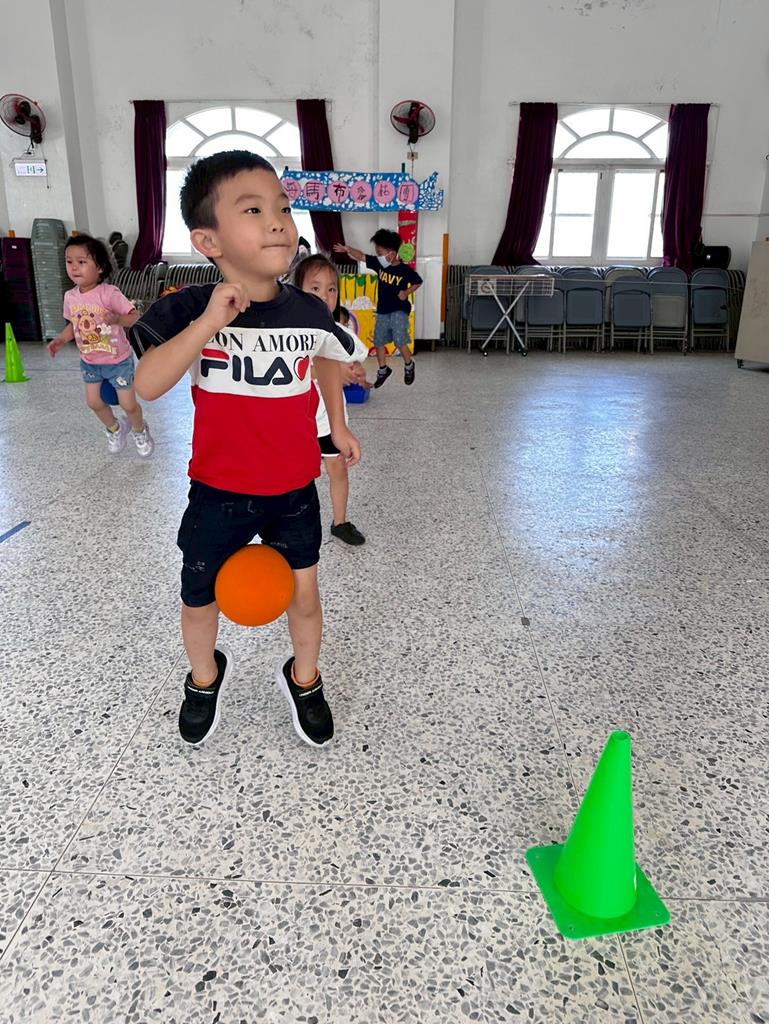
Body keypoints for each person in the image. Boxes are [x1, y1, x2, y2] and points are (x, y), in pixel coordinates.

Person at [130, 150, 361, 750]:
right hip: (217, 491)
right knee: (198, 596)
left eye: (282, 207)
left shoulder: (308, 309)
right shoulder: (187, 309)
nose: (278, 221)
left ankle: (304, 677)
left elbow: (327, 361)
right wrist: (208, 323)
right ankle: (203, 679)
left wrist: (336, 427)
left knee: (305, 594)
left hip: (293, 488)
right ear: (208, 240)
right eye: (253, 210)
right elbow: (147, 385)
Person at [48, 234, 154, 457]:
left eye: (82, 261)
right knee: (94, 402)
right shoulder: (70, 297)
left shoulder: (109, 293)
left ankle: (139, 430)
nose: (74, 267)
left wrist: (117, 319)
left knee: (128, 405)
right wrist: (60, 340)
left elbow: (134, 317)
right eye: (69, 261)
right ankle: (115, 428)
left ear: (100, 267)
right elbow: (74, 325)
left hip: (118, 361)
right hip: (90, 362)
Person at [294, 254, 368, 546]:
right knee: (298, 477)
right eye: (315, 288)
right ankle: (292, 525)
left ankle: (340, 522)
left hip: (329, 420)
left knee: (338, 469)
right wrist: (335, 370)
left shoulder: (339, 332)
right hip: (298, 422)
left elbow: (353, 362)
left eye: (331, 289)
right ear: (298, 290)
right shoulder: (290, 330)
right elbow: (297, 368)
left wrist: (355, 371)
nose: (324, 295)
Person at [334, 228, 422, 388]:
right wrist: (348, 249)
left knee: (399, 339)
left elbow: (418, 282)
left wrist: (406, 292)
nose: (378, 256)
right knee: (379, 340)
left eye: (380, 253)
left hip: (399, 309)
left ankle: (409, 365)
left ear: (392, 253)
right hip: (382, 310)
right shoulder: (380, 265)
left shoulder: (405, 271)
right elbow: (361, 256)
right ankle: (383, 369)